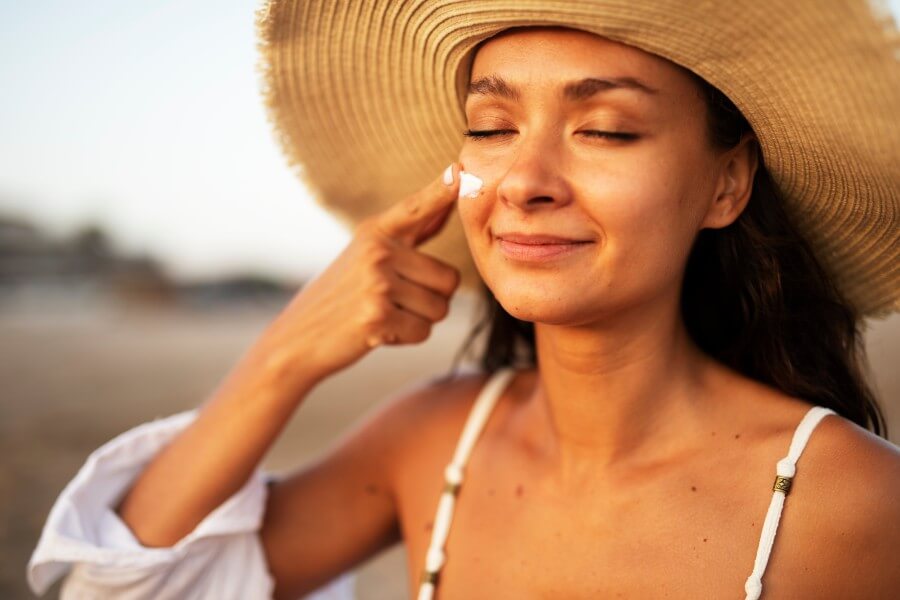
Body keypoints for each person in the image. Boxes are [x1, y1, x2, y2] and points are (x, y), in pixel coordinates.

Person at [28, 1, 900, 599]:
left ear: (727, 184)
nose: (524, 180)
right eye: (490, 128)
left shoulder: (850, 502)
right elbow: (121, 586)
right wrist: (286, 354)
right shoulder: (437, 441)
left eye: (605, 130)